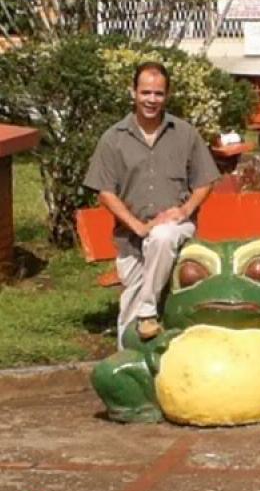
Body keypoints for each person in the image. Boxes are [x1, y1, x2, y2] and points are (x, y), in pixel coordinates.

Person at [83, 61, 220, 348]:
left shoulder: (184, 133)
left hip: (176, 230)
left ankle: (148, 310)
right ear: (133, 92)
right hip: (131, 238)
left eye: (158, 93)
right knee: (129, 308)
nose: (151, 100)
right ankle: (127, 355)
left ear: (167, 95)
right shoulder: (113, 139)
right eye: (146, 92)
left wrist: (185, 211)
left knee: (163, 235)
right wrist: (138, 227)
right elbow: (105, 192)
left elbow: (205, 181)